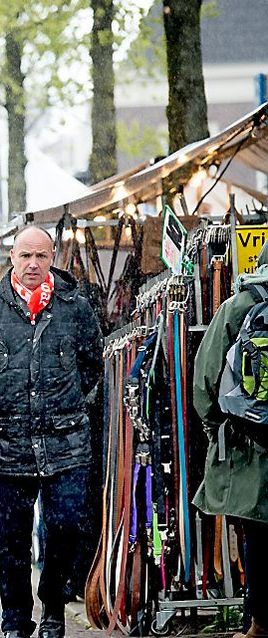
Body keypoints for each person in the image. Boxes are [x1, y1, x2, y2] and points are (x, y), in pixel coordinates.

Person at [0, 226, 102, 638]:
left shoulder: (74, 308)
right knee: (11, 540)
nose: (33, 264)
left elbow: (92, 366)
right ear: (12, 257)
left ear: (52, 259)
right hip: (9, 443)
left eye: (41, 256)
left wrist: (65, 402)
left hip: (66, 441)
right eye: (25, 255)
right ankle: (14, 619)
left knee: (65, 527)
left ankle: (53, 606)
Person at [192, 242, 268, 638]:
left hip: (249, 445)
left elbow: (205, 381)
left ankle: (259, 621)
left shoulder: (238, 307)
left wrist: (217, 431)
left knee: (256, 533)